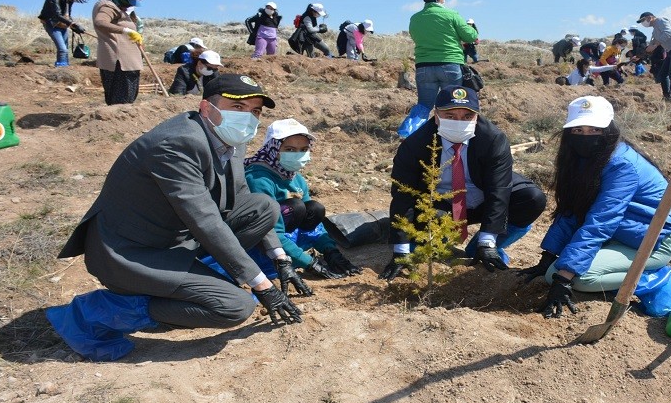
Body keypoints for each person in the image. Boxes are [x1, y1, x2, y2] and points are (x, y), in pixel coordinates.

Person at [48, 74, 307, 361]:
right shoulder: (176, 144)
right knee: (234, 306)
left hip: (176, 237)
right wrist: (262, 285)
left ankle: (200, 279)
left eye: (255, 111)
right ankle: (101, 310)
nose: (248, 118)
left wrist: (280, 257)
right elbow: (206, 220)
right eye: (238, 108)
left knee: (264, 207)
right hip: (132, 253)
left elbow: (243, 196)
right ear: (207, 108)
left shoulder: (231, 140)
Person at [518, 96, 671, 318]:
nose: (585, 136)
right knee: (553, 272)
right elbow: (572, 209)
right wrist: (549, 256)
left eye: (594, 129)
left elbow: (601, 220)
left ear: (608, 129)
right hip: (623, 231)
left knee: (580, 278)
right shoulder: (580, 159)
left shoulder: (621, 165)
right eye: (578, 130)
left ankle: (658, 278)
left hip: (651, 238)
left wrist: (564, 278)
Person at [380, 85, 546, 280]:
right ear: (437, 115)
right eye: (450, 115)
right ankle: (435, 244)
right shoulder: (415, 145)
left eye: (467, 117)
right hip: (442, 205)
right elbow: (403, 195)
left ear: (477, 116)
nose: (459, 122)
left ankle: (481, 247)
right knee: (422, 240)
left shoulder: (493, 139)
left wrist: (488, 240)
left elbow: (498, 190)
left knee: (532, 199)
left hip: (483, 198)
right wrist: (401, 250)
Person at [244, 119, 362, 280]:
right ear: (274, 148)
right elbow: (270, 230)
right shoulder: (258, 178)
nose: (297, 154)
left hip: (284, 232)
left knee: (314, 209)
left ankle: (295, 251)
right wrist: (309, 263)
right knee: (296, 207)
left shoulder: (295, 178)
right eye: (290, 149)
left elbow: (315, 226)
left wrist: (331, 252)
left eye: (303, 149)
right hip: (260, 238)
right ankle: (281, 257)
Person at [409, 0, 478, 110]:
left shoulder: (415, 18)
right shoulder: (452, 15)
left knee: (423, 106)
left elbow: (415, 37)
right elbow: (471, 36)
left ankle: (408, 130)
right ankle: (447, 130)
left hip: (423, 66)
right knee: (452, 107)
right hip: (450, 64)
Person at [92, 0, 143, 106]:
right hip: (119, 62)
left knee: (127, 98)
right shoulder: (108, 6)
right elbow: (100, 22)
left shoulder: (115, 6)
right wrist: (125, 30)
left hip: (126, 61)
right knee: (120, 100)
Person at [637, 11, 671, 102]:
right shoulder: (655, 30)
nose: (643, 23)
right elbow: (652, 43)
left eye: (643, 20)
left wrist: (655, 45)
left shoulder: (661, 20)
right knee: (663, 74)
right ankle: (666, 96)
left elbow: (668, 32)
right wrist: (639, 55)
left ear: (650, 17)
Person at [38, 0, 87, 67]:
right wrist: (72, 23)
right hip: (51, 23)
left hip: (62, 25)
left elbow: (67, 14)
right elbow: (57, 14)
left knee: (65, 49)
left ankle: (65, 65)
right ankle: (61, 68)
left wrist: (73, 26)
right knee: (62, 49)